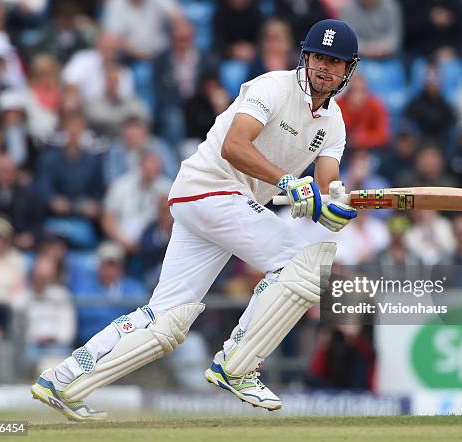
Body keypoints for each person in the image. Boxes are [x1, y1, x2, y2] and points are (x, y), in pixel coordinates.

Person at [31, 19, 360, 420]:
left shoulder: (334, 122)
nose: (325, 67)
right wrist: (289, 182)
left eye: (335, 61)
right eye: (319, 57)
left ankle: (62, 381)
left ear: (349, 69)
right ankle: (237, 365)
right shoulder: (271, 87)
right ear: (305, 58)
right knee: (305, 259)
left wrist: (335, 202)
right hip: (211, 188)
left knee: (166, 320)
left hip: (216, 204)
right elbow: (234, 145)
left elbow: (327, 183)